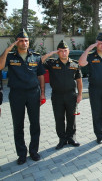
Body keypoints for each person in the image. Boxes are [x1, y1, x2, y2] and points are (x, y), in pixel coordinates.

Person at [0, 29, 45, 165]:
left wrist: (42, 92)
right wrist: (7, 50)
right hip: (16, 94)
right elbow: (0, 66)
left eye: (26, 40)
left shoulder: (36, 57)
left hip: (33, 93)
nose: (24, 43)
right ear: (17, 42)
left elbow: (41, 75)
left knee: (35, 124)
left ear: (28, 42)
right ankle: (21, 154)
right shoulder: (10, 56)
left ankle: (33, 151)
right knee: (18, 125)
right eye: (21, 40)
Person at [42, 40, 83, 150]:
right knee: (59, 118)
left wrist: (79, 94)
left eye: (65, 51)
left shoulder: (74, 63)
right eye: (61, 51)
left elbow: (79, 81)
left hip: (71, 95)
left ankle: (71, 138)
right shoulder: (52, 63)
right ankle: (62, 139)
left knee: (71, 117)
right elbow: (40, 61)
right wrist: (51, 53)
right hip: (57, 96)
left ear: (68, 51)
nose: (63, 53)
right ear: (58, 52)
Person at [78, 32, 102, 144]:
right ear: (96, 44)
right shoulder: (91, 56)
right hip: (95, 89)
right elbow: (81, 63)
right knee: (96, 113)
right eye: (100, 43)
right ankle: (99, 135)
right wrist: (89, 48)